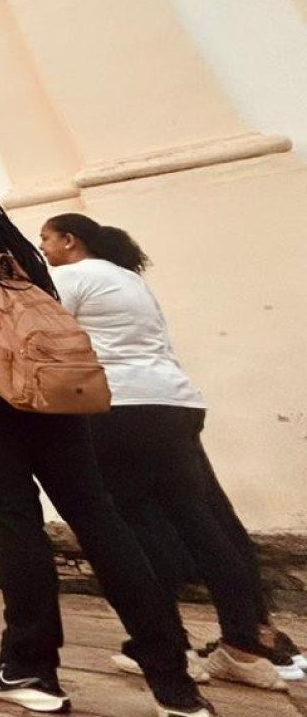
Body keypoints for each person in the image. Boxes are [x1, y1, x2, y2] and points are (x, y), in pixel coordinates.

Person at [0, 167, 210, 716]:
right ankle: (174, 685)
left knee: (15, 518)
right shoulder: (18, 247)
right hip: (49, 389)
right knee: (97, 515)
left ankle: (29, 667)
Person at [40, 213, 291, 691]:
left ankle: (168, 647)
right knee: (200, 523)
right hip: (175, 404)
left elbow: (42, 335)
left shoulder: (69, 277)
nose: (45, 249)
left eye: (47, 240)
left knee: (129, 530)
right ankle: (242, 644)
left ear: (70, 241)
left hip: (120, 406)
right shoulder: (130, 281)